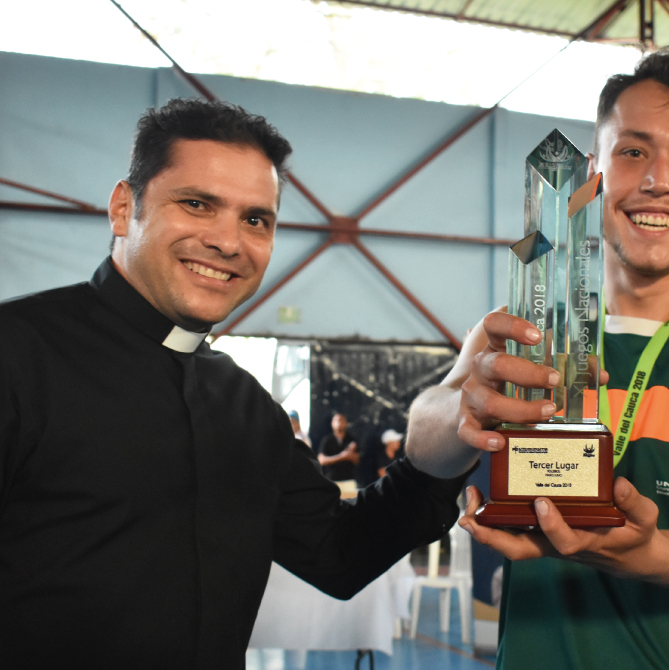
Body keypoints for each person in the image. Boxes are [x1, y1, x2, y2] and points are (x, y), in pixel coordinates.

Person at [0, 99, 469, 668]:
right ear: (124, 209)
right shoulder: (18, 354)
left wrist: (441, 446)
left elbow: (339, 557)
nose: (229, 242)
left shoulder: (245, 405)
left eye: (255, 219)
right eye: (197, 204)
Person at [406, 47, 669, 670]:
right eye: (633, 152)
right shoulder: (521, 330)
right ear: (593, 175)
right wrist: (464, 411)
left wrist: (643, 553)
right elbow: (423, 441)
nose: (658, 179)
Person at [317, 412, 358, 482]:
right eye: (336, 420)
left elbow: (358, 459)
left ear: (346, 423)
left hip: (348, 480)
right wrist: (341, 456)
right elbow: (321, 460)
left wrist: (350, 454)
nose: (339, 422)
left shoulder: (352, 440)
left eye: (341, 420)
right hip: (331, 480)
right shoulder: (327, 440)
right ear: (332, 424)